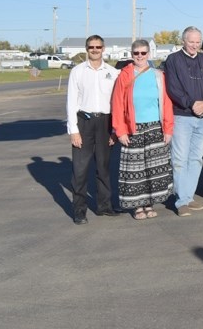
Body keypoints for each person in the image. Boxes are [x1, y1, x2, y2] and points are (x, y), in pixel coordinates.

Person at [111, 40, 174, 220]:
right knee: (134, 169)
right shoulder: (124, 75)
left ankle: (149, 203)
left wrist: (168, 129)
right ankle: (138, 206)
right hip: (133, 128)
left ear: (149, 54)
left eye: (143, 53)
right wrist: (120, 130)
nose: (139, 56)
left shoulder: (158, 75)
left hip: (155, 126)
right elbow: (117, 104)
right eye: (136, 53)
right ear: (131, 54)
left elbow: (166, 103)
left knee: (153, 169)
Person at [66, 35, 120, 225]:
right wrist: (73, 130)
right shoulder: (78, 72)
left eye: (98, 47)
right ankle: (79, 210)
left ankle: (104, 206)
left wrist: (115, 130)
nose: (95, 50)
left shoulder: (113, 73)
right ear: (86, 49)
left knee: (104, 168)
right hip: (84, 122)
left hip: (105, 122)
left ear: (103, 48)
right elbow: (71, 102)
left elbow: (117, 103)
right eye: (91, 47)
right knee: (80, 169)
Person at [164, 26, 203, 217]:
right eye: (191, 41)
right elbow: (173, 89)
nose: (194, 45)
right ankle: (181, 201)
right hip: (182, 116)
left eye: (197, 42)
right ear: (184, 41)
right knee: (179, 159)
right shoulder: (173, 60)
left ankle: (189, 196)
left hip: (201, 118)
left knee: (196, 159)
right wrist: (192, 104)